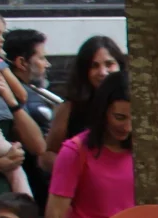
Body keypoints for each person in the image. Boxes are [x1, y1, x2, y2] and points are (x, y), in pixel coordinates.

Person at [46, 69, 135, 218]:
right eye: (119, 117)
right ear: (102, 111)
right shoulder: (75, 151)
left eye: (135, 119)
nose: (127, 127)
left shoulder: (146, 151)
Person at [0, 10, 43, 197]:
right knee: (15, 169)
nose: (1, 39)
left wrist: (11, 100)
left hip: (0, 202)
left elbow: (38, 147)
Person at [42, 33, 124, 168]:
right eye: (94, 66)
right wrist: (77, 170)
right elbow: (48, 155)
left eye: (109, 64)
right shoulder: (71, 107)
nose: (103, 72)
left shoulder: (135, 105)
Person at [2, 26, 54, 206]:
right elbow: (40, 148)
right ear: (21, 62)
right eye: (41, 58)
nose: (47, 64)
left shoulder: (31, 93)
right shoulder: (20, 99)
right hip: (34, 192)